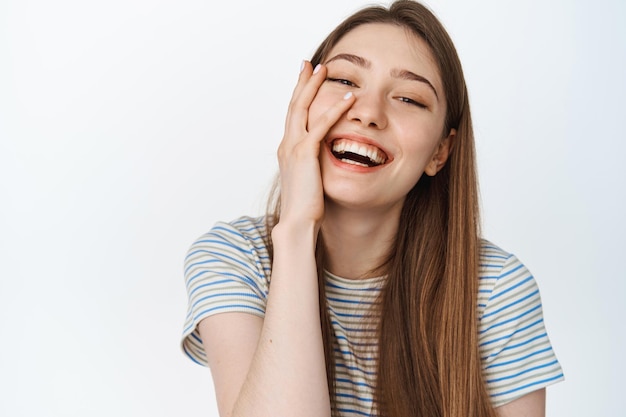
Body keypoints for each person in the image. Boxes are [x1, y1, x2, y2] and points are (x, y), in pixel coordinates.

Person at [180, 1, 564, 416]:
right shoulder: (234, 258)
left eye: (409, 99)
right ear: (301, 103)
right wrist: (296, 229)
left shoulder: (495, 290)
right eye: (345, 79)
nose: (367, 113)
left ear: (440, 151)